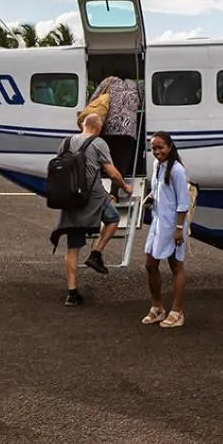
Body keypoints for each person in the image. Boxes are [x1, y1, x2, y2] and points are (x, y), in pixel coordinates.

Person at [49, 112, 133, 306]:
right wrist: (125, 187)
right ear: (99, 128)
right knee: (113, 219)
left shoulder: (66, 142)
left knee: (73, 246)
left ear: (83, 125)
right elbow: (111, 173)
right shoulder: (98, 143)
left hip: (70, 198)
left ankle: (72, 293)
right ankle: (96, 254)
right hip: (93, 196)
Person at [141, 131, 191, 329]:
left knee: (176, 265)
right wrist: (152, 196)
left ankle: (177, 311)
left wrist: (179, 228)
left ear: (170, 147)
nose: (157, 151)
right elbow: (160, 188)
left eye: (160, 147)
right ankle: (157, 307)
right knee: (150, 264)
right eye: (153, 148)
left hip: (173, 225)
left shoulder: (177, 170)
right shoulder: (157, 166)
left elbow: (183, 202)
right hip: (158, 222)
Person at [87, 75, 144, 182]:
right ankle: (117, 188)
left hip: (110, 128)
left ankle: (109, 186)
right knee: (122, 161)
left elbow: (93, 100)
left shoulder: (108, 81)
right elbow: (141, 102)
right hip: (129, 129)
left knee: (107, 159)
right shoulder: (135, 85)